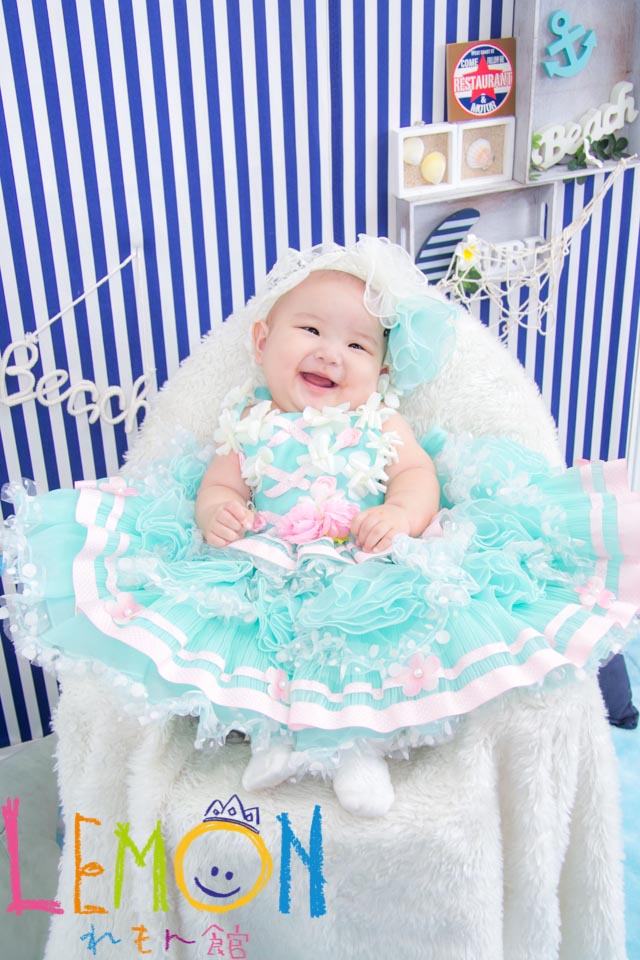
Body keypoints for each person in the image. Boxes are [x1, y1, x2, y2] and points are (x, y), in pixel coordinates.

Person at [2, 236, 639, 818]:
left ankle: (356, 750)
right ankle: (277, 737)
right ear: (262, 342)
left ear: (381, 374)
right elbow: (220, 484)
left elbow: (418, 476)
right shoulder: (249, 422)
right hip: (267, 560)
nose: (332, 352)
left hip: (364, 561)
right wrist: (217, 509)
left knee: (363, 645)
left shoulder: (380, 421)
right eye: (309, 329)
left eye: (358, 346)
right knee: (268, 644)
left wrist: (400, 513)